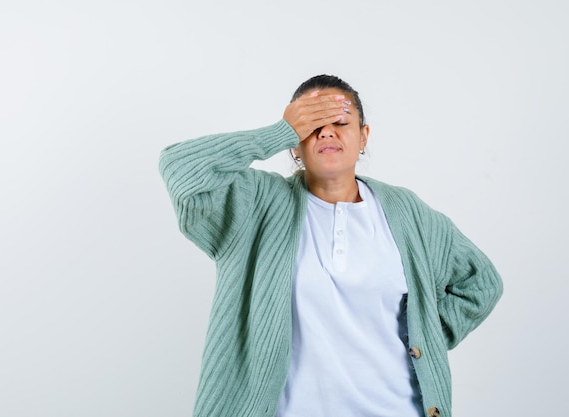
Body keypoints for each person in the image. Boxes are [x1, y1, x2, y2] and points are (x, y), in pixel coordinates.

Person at [159, 74, 503, 417]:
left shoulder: (405, 211)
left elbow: (481, 283)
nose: (326, 132)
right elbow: (179, 167)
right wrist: (278, 132)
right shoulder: (256, 205)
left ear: (363, 136)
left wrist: (424, 337)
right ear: (294, 144)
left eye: (340, 121)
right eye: (311, 125)